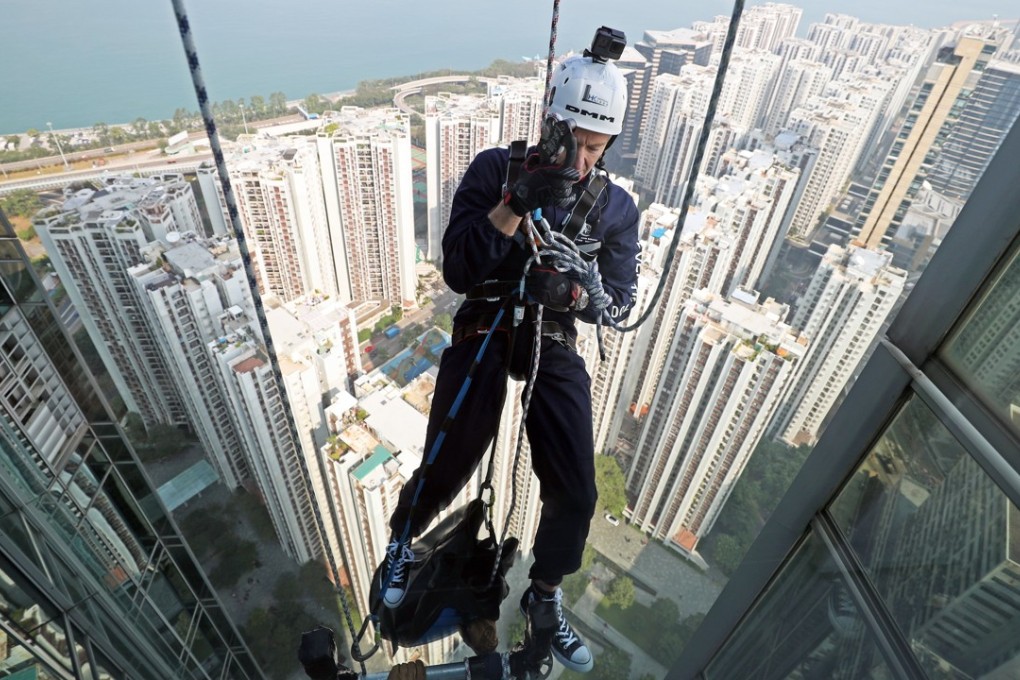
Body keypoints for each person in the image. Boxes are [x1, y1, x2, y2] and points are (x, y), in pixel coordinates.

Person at [382, 48, 639, 673]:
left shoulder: (615, 209)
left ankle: (545, 594)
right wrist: (517, 201)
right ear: (551, 124)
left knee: (576, 489)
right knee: (453, 450)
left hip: (552, 330)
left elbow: (620, 301)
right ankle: (402, 541)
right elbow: (459, 268)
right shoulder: (496, 169)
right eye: (574, 143)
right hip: (488, 316)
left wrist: (573, 293)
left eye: (596, 147)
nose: (582, 160)